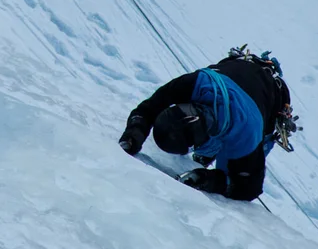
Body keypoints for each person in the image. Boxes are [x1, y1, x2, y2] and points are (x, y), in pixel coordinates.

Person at [118, 49, 293, 201]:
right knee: (221, 155)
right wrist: (134, 133)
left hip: (270, 102)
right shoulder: (194, 83)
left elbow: (248, 187)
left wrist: (209, 180)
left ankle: (208, 154)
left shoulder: (246, 133)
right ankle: (206, 155)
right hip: (237, 76)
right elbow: (149, 108)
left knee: (238, 161)